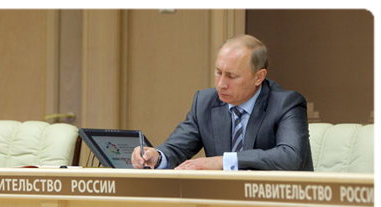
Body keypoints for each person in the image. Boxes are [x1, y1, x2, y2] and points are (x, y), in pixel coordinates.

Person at [131, 34, 313, 171]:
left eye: (231, 76)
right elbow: (176, 147)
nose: (221, 84)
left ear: (259, 77)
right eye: (218, 72)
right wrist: (156, 156)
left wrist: (222, 161)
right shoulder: (205, 102)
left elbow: (290, 157)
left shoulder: (286, 104)